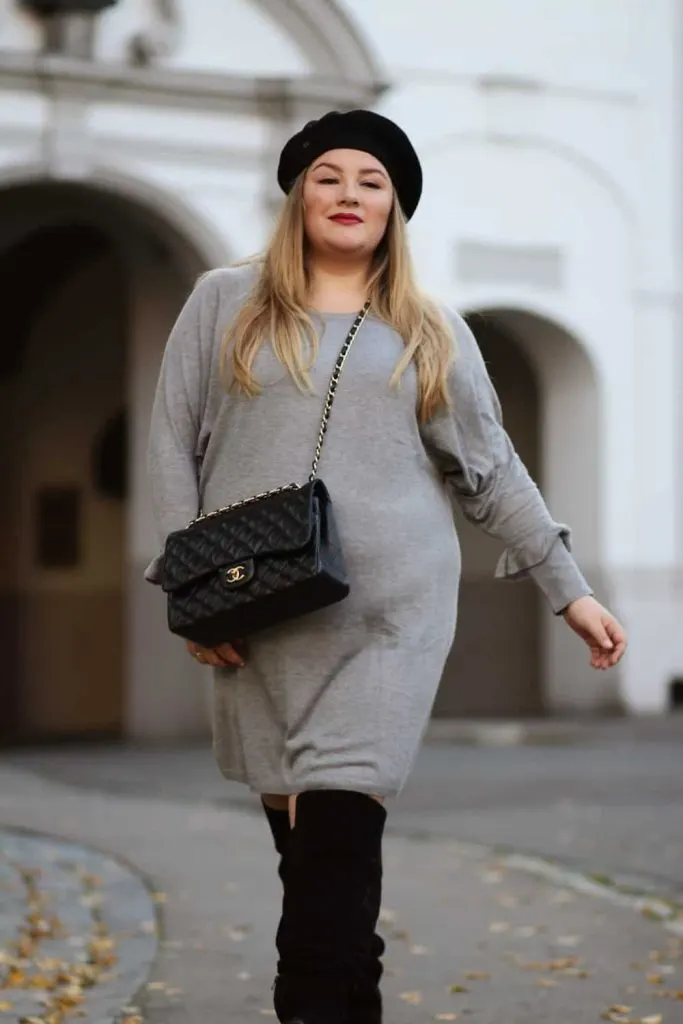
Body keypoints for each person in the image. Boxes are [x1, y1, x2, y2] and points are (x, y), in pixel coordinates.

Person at [145, 109, 627, 1023]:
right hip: (257, 614)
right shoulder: (224, 300)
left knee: (334, 853)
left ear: (394, 206)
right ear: (297, 196)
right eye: (328, 176)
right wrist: (195, 602)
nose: (348, 195)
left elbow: (492, 472)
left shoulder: (429, 328)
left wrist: (571, 591)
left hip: (388, 620)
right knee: (314, 877)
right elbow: (175, 444)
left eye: (371, 182)